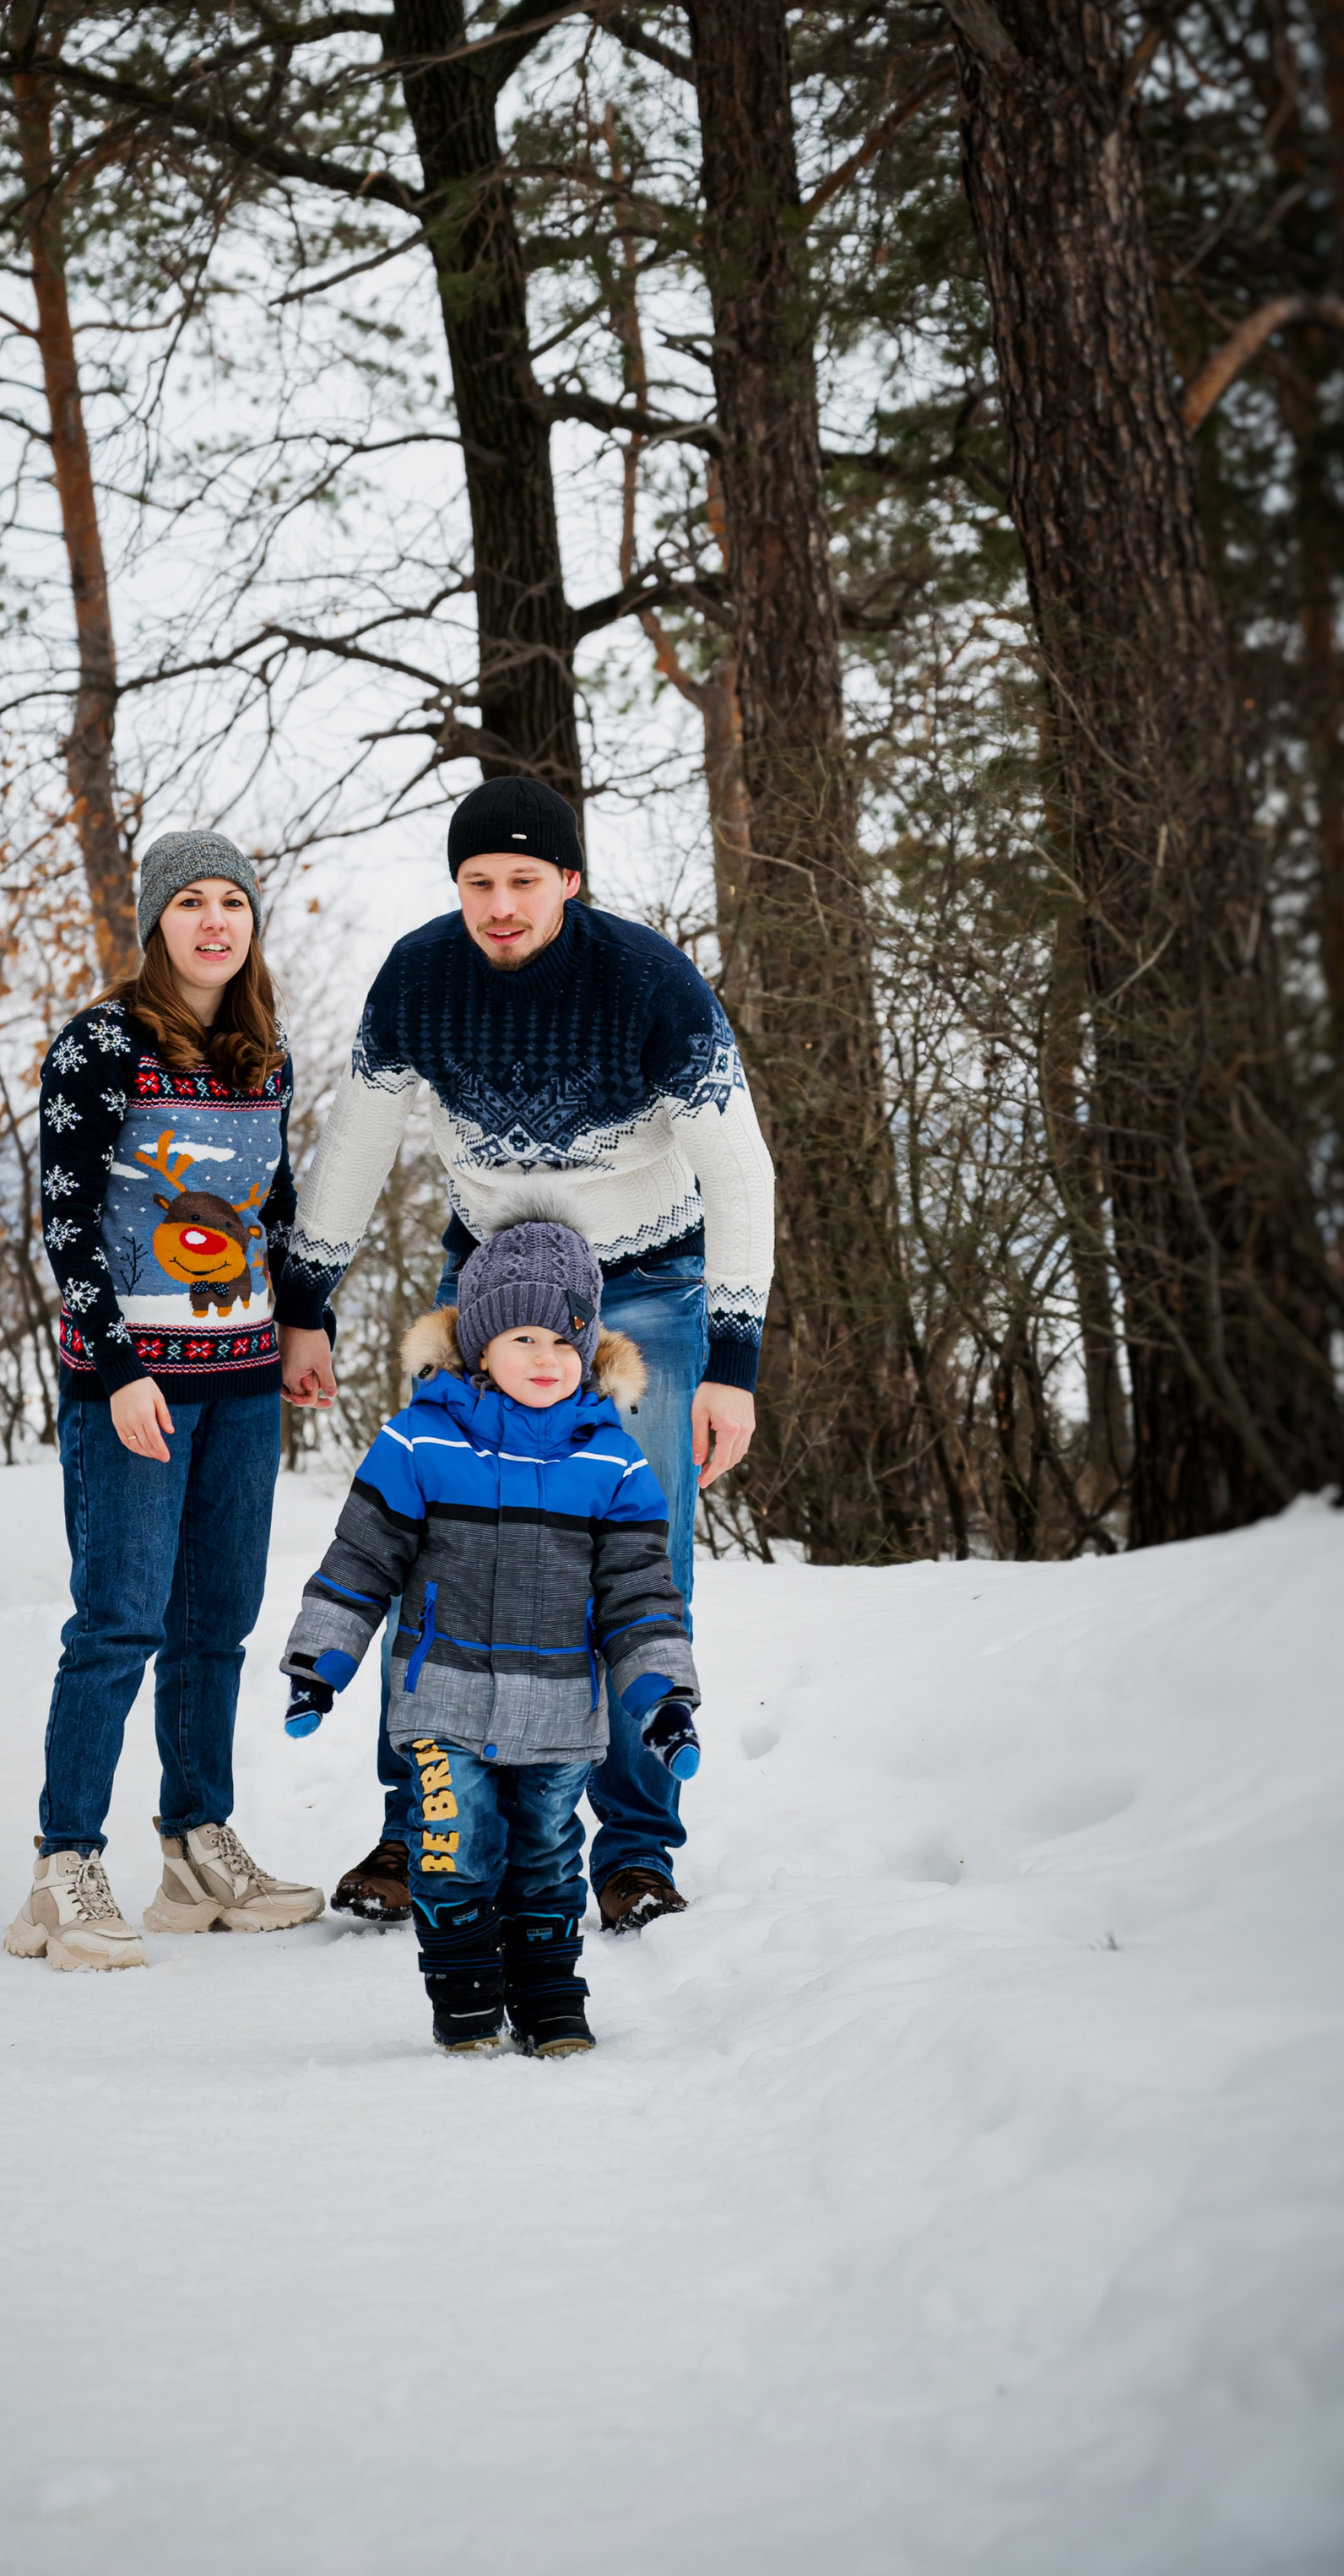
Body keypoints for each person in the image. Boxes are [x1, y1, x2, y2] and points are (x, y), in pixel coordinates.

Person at [274, 773, 773, 1933]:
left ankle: (634, 1849)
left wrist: (735, 1367)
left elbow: (742, 1172)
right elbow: (355, 1144)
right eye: (478, 882)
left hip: (643, 1293)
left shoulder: (648, 983)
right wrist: (306, 1298)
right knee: (433, 1549)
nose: (500, 904)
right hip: (487, 1287)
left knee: (637, 1563)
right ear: (458, 888)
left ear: (568, 880)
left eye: (523, 880)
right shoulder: (419, 976)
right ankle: (416, 1833)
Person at [3, 831, 324, 1972]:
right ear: (156, 923)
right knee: (120, 1620)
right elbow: (69, 1219)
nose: (212, 919)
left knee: (217, 1625)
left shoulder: (260, 1054)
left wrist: (302, 1321)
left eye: (231, 900)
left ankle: (195, 1844)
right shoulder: (99, 1045)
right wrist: (119, 1365)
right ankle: (64, 1865)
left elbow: (273, 1204)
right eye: (189, 901)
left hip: (240, 1383)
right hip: (129, 1385)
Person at [279, 1208, 702, 2053]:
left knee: (544, 1854)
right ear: (477, 1343)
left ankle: (550, 2000)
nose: (548, 1358)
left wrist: (661, 1694)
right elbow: (362, 1557)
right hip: (444, 1699)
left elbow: (641, 1591)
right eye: (524, 1336)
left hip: (557, 1715)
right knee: (454, 1842)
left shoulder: (610, 1458)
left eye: (566, 1339)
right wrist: (319, 1659)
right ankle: (467, 1995)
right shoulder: (418, 1439)